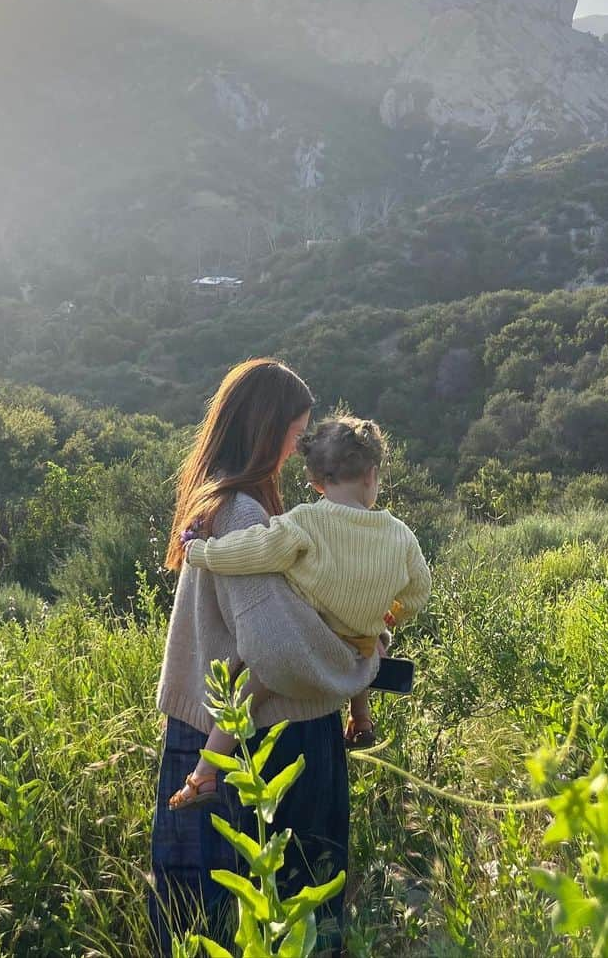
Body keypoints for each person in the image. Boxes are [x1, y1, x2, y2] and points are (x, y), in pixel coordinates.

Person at [149, 359, 378, 957]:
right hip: (264, 742)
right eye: (295, 434)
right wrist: (361, 660)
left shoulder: (217, 499)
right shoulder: (244, 511)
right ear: (265, 427)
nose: (299, 450)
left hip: (205, 729)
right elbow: (275, 650)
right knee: (281, 917)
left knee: (200, 919)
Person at [169, 414, 431, 812]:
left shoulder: (305, 521)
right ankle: (361, 722)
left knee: (245, 696)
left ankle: (203, 774)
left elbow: (255, 550)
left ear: (316, 483)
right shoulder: (401, 535)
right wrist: (389, 616)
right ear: (371, 475)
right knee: (366, 647)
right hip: (358, 640)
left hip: (308, 640)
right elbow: (418, 590)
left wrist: (203, 552)